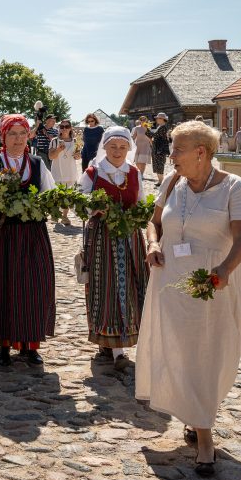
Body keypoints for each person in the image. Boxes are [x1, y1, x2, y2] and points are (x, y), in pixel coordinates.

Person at [137, 121, 241, 477]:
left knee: (210, 356)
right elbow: (153, 222)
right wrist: (154, 244)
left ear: (201, 152)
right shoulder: (173, 182)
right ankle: (203, 433)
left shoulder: (235, 188)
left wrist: (223, 272)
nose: (170, 155)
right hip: (171, 282)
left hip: (215, 284)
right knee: (181, 353)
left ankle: (201, 420)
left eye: (176, 149)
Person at [0, 114, 57, 367]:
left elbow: (49, 196)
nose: (18, 139)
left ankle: (30, 345)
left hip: (32, 235)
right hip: (2, 236)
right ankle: (4, 345)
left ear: (28, 136)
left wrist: (36, 206)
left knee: (32, 288)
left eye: (22, 133)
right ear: (3, 136)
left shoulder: (37, 164)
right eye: (12, 134)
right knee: (2, 287)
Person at [78, 127, 150, 371]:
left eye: (122, 147)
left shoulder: (133, 173)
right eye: (113, 147)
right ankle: (108, 343)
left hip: (130, 238)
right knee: (104, 287)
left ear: (129, 148)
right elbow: (80, 203)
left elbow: (142, 203)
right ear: (104, 148)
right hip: (101, 239)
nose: (117, 152)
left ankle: (122, 343)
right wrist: (94, 208)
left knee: (129, 286)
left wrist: (138, 217)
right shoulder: (92, 173)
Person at [48, 118, 81, 224]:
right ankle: (55, 213)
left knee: (68, 196)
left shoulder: (75, 141)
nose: (64, 129)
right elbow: (51, 156)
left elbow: (78, 156)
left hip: (70, 172)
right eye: (62, 127)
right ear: (59, 128)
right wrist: (58, 149)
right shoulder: (54, 141)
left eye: (66, 127)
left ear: (70, 128)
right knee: (57, 195)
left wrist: (77, 156)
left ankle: (65, 216)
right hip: (58, 172)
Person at [150, 112, 172, 184]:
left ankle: (161, 181)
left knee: (159, 164)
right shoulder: (160, 126)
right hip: (157, 148)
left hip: (160, 149)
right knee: (157, 164)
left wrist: (146, 129)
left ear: (162, 119)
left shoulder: (163, 127)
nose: (156, 119)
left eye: (158, 118)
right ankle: (160, 181)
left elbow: (154, 135)